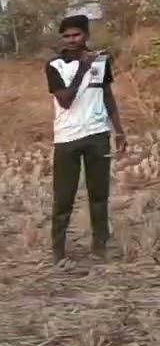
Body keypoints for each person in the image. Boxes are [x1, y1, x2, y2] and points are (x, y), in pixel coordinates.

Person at [46, 14, 127, 268]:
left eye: (76, 35)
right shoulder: (55, 65)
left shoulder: (101, 61)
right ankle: (59, 251)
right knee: (63, 198)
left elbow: (107, 96)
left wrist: (119, 130)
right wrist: (83, 68)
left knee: (99, 195)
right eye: (66, 36)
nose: (71, 40)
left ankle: (100, 247)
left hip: (97, 135)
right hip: (67, 138)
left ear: (86, 36)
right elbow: (66, 100)